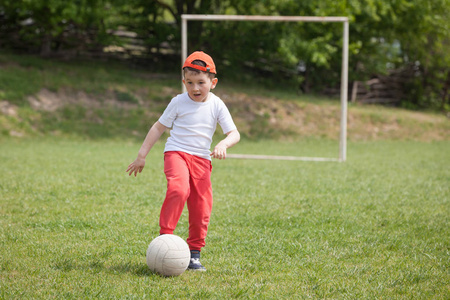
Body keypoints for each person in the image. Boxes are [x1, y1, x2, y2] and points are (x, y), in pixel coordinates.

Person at [126, 51, 240, 271]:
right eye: (189, 83)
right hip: (176, 153)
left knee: (202, 206)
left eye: (201, 83)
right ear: (183, 82)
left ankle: (194, 254)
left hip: (202, 160)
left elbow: (234, 133)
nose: (195, 88)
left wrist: (223, 144)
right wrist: (142, 155)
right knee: (178, 190)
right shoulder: (178, 102)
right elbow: (159, 127)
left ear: (213, 82)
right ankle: (164, 239)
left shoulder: (217, 105)